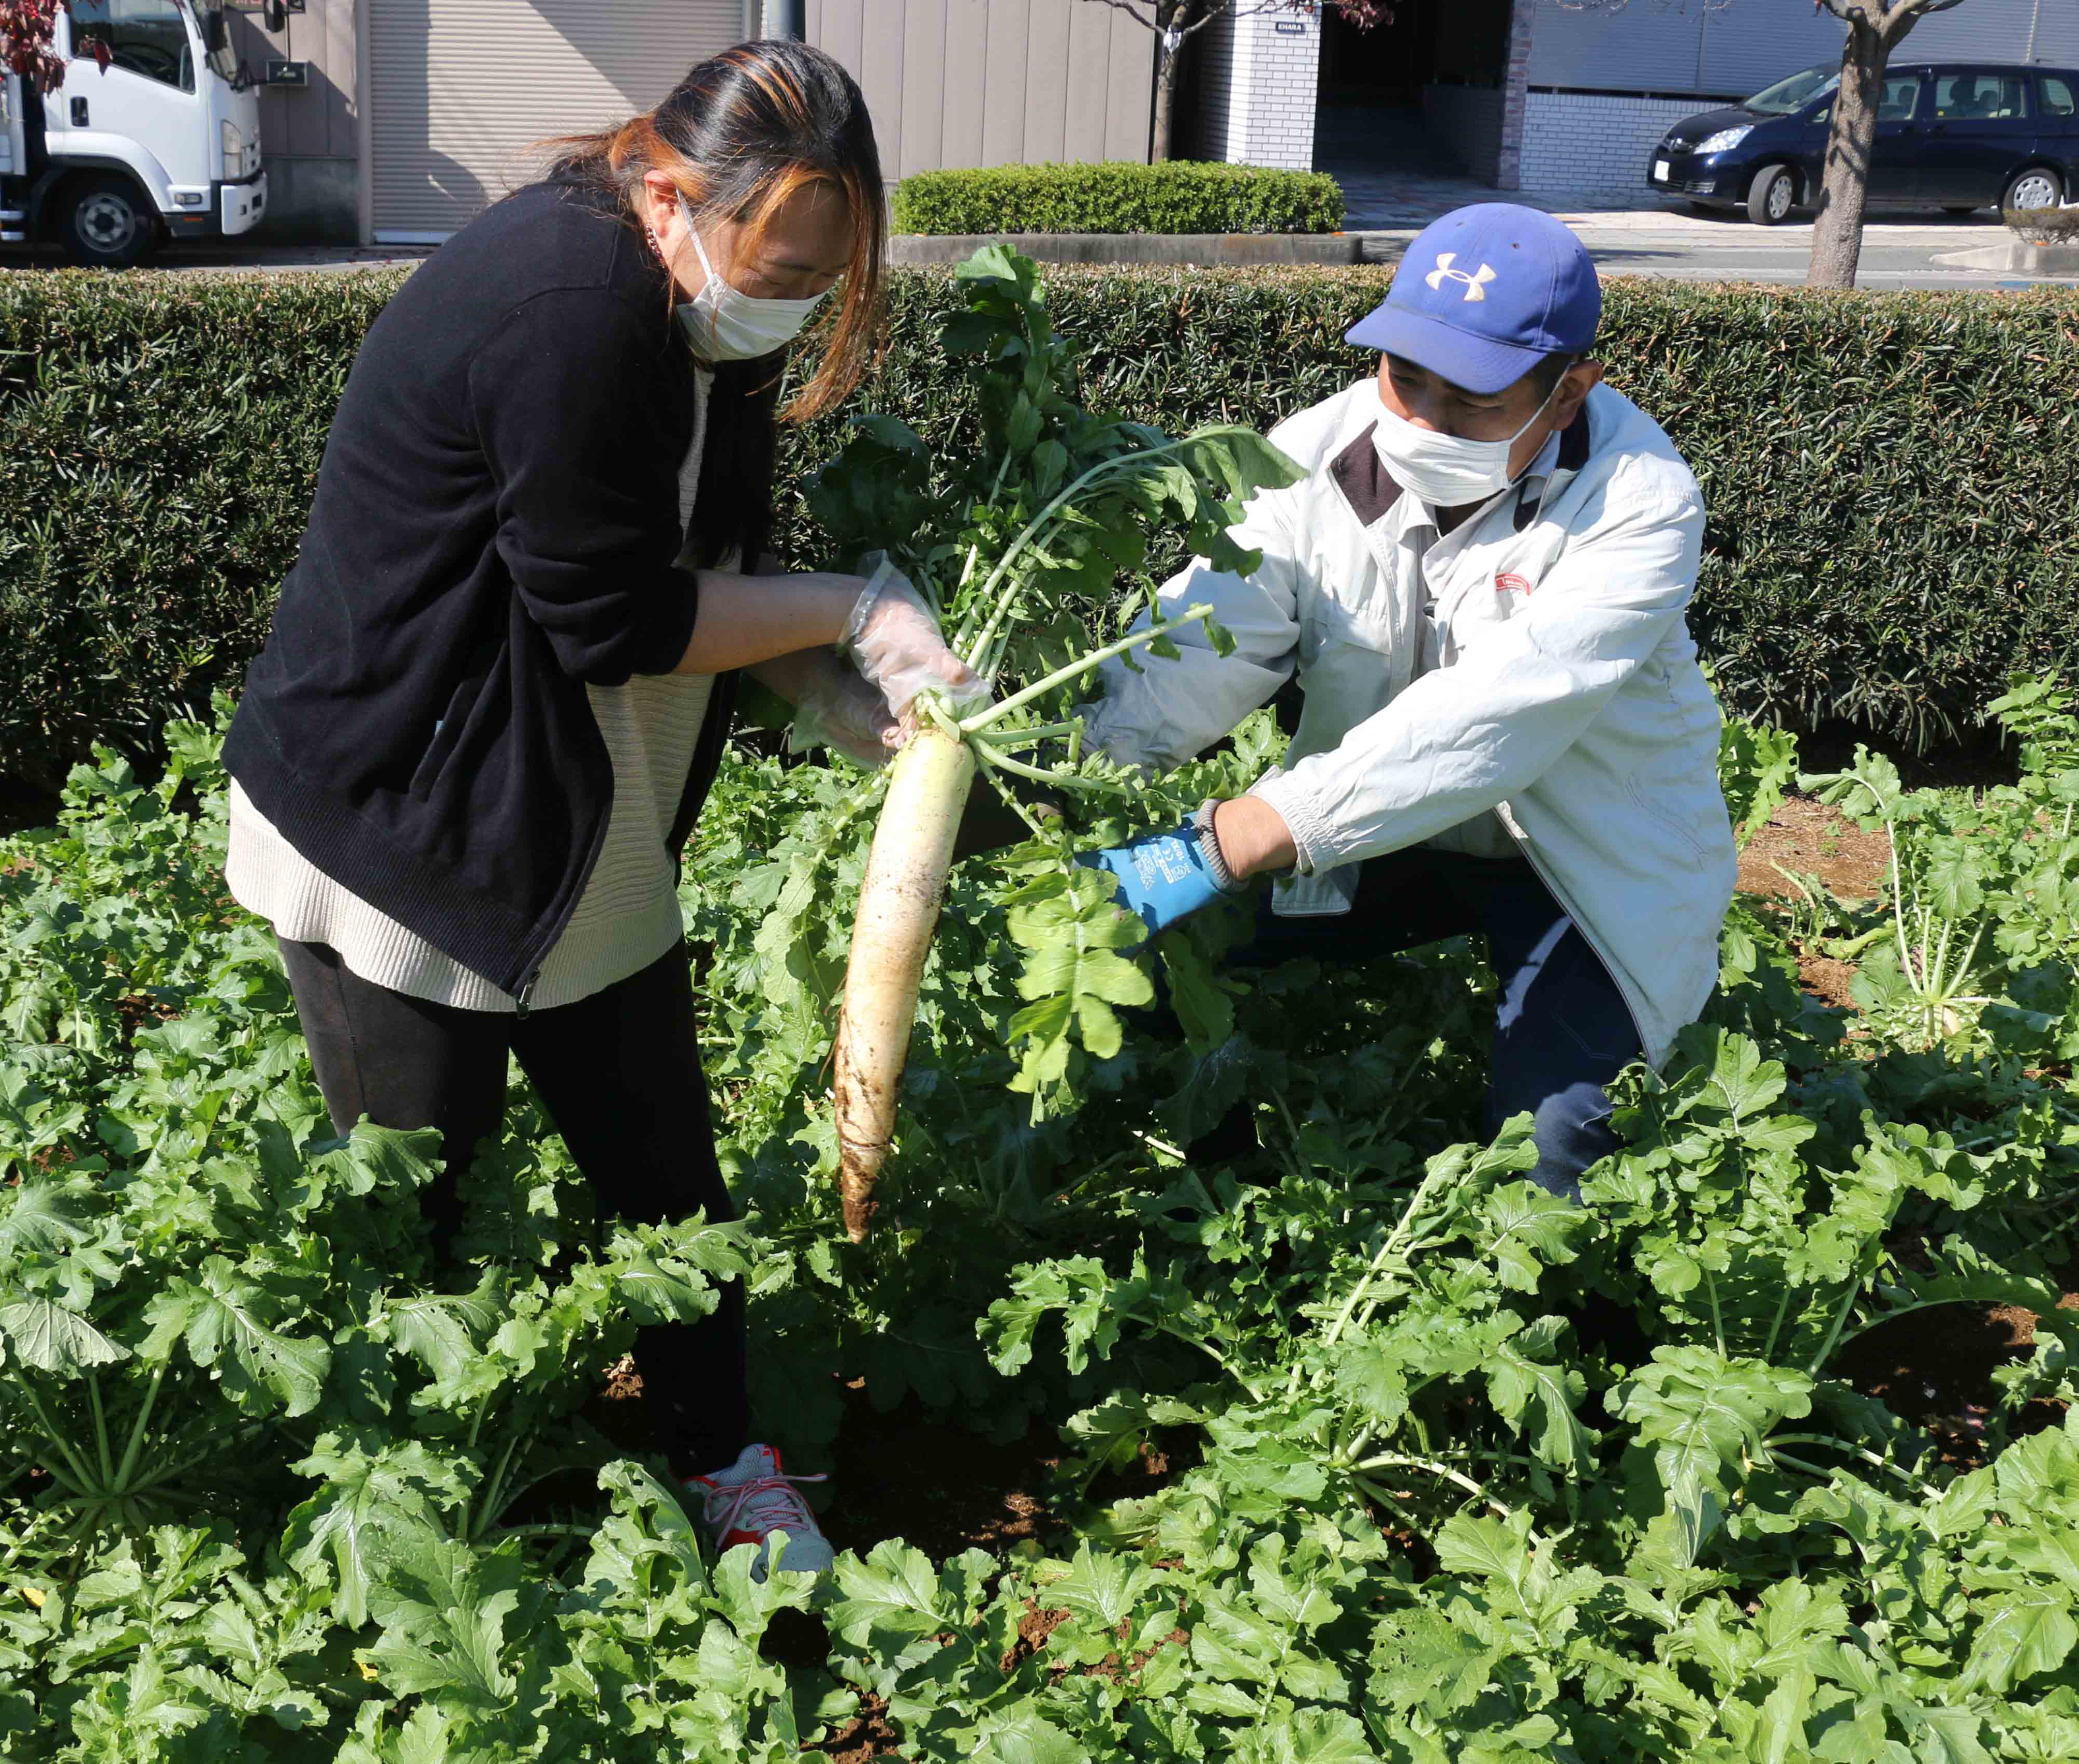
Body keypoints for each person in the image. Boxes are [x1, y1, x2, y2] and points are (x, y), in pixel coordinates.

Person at [221, 40, 970, 1577]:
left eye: (824, 273)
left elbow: (703, 567)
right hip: (406, 820)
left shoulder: (707, 307)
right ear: (673, 191)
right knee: (424, 1199)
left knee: (667, 1180)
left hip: (576, 811)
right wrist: (849, 608)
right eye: (780, 262)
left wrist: (832, 684)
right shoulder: (568, 305)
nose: (795, 298)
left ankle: (726, 1462)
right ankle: (405, 1513)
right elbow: (613, 618)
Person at [1074, 204, 1736, 1201]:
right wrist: (1069, 768)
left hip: (1574, 860)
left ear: (1567, 396)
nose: (1420, 422)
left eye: (1472, 402)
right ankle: (1235, 1190)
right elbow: (1200, 646)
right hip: (1375, 835)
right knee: (1144, 957)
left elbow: (1501, 717)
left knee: (1555, 1154)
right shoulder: (1311, 456)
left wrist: (1248, 830)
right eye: (1403, 376)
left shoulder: (1638, 501)